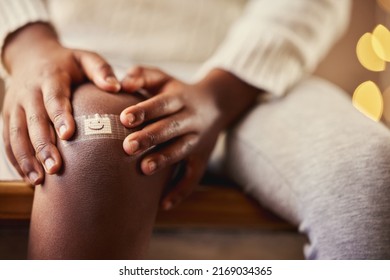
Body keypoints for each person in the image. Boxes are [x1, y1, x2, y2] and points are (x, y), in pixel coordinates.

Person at [1, 0, 389, 259]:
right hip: (74, 59)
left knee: (370, 172)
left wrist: (220, 93)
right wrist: (28, 43)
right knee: (90, 145)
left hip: (251, 74)